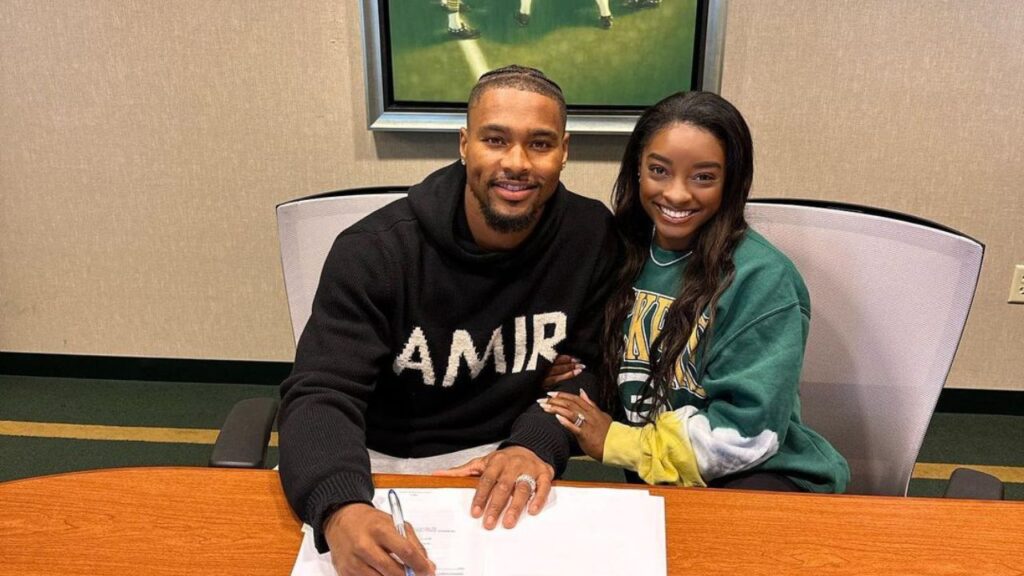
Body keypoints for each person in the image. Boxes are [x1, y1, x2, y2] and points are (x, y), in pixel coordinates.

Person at [278, 65, 618, 576]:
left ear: (564, 151)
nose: (517, 163)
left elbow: (593, 370)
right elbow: (322, 392)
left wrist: (534, 441)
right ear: (464, 144)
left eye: (540, 144)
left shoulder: (593, 237)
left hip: (506, 455)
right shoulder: (374, 252)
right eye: (495, 139)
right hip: (374, 462)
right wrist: (339, 507)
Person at [539, 91, 850, 493]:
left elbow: (746, 436)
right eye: (659, 170)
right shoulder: (621, 252)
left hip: (760, 481)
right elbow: (593, 357)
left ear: (731, 182)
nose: (677, 194)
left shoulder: (762, 279)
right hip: (664, 481)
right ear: (637, 169)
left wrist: (619, 442)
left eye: (703, 176)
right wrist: (542, 366)